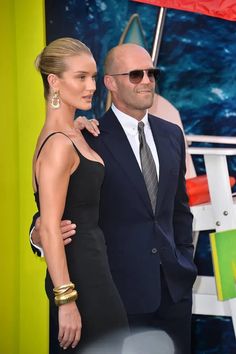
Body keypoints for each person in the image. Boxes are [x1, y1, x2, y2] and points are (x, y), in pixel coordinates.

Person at [31, 43, 197, 354]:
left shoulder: (171, 134)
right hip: (118, 294)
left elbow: (178, 209)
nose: (146, 80)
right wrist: (37, 234)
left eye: (152, 73)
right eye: (136, 74)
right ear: (112, 82)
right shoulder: (88, 138)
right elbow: (63, 210)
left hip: (174, 292)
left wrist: (184, 262)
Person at [31, 37, 128, 354]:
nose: (91, 86)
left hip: (94, 267)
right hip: (80, 278)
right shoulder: (58, 144)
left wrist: (80, 126)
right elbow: (48, 225)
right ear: (54, 81)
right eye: (81, 77)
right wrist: (66, 300)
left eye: (93, 77)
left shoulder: (73, 132)